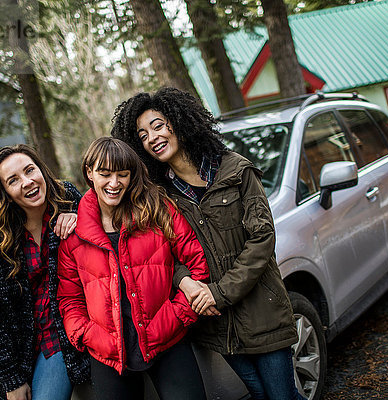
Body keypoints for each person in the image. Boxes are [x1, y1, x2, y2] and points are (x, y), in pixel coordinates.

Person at [111, 87, 305, 400]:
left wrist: (218, 293)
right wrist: (185, 281)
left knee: (282, 396)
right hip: (215, 323)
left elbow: (262, 238)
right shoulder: (159, 197)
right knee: (259, 394)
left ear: (179, 122)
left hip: (260, 310)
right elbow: (161, 254)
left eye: (158, 125)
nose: (152, 137)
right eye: (142, 134)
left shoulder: (235, 170)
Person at [56, 137, 210, 400]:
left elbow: (198, 265)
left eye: (122, 175)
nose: (114, 184)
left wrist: (179, 314)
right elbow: (69, 299)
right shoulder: (74, 234)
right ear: (89, 173)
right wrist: (87, 334)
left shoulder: (157, 211)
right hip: (107, 355)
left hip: (168, 342)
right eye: (105, 174)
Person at [0, 144, 90, 400]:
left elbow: (99, 238)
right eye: (13, 180)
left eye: (30, 170)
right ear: (4, 192)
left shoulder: (68, 198)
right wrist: (11, 381)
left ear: (41, 170)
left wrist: (79, 217)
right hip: (27, 345)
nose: (27, 182)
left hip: (69, 330)